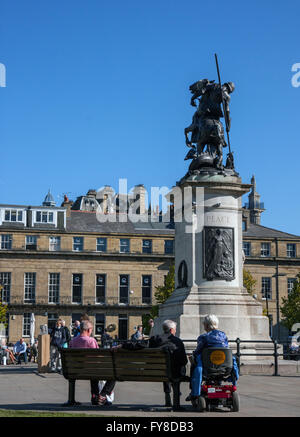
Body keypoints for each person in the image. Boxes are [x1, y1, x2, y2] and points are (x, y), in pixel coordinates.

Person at [187, 314, 239, 401]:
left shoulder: (203, 337)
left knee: (195, 363)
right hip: (224, 366)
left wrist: (193, 355)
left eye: (204, 324)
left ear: (207, 325)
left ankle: (194, 391)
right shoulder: (223, 336)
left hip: (208, 368)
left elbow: (198, 351)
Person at [69, 320, 115, 406]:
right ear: (89, 330)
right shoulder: (91, 341)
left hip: (75, 371)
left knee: (93, 371)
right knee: (113, 375)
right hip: (91, 369)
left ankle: (95, 397)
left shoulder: (73, 341)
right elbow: (97, 358)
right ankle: (102, 395)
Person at [149, 320, 188, 408]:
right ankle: (176, 403)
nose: (175, 331)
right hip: (174, 373)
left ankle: (167, 398)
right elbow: (184, 361)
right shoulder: (177, 341)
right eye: (175, 329)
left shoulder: (155, 339)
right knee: (174, 370)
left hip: (156, 371)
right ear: (171, 330)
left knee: (165, 369)